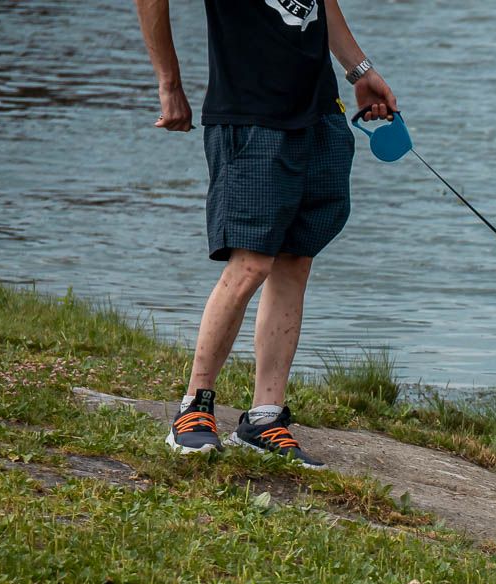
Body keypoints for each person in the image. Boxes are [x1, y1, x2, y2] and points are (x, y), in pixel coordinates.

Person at [133, 0, 397, 468]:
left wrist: (360, 71)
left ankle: (264, 418)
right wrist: (169, 83)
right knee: (251, 263)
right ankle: (194, 409)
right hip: (250, 115)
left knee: (295, 260)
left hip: (319, 112)